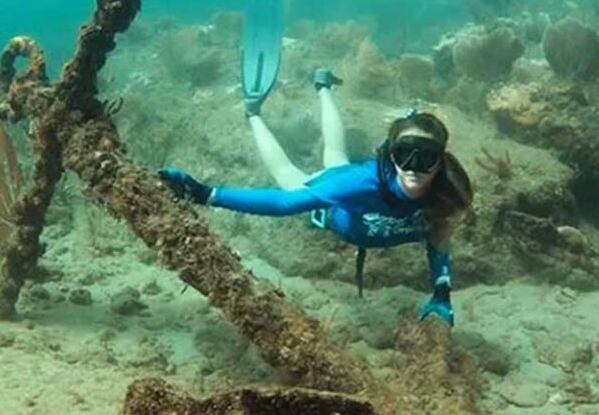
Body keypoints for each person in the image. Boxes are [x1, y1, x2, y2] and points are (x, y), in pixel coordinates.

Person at [158, 69, 473, 326]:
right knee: (288, 174)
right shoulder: (358, 185)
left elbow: (439, 239)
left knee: (336, 154)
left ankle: (322, 85)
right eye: (405, 155)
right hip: (338, 201)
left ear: (441, 161)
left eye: (426, 157)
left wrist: (441, 293)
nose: (414, 169)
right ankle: (253, 113)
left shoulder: (446, 193)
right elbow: (284, 204)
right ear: (392, 156)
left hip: (349, 184)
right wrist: (208, 194)